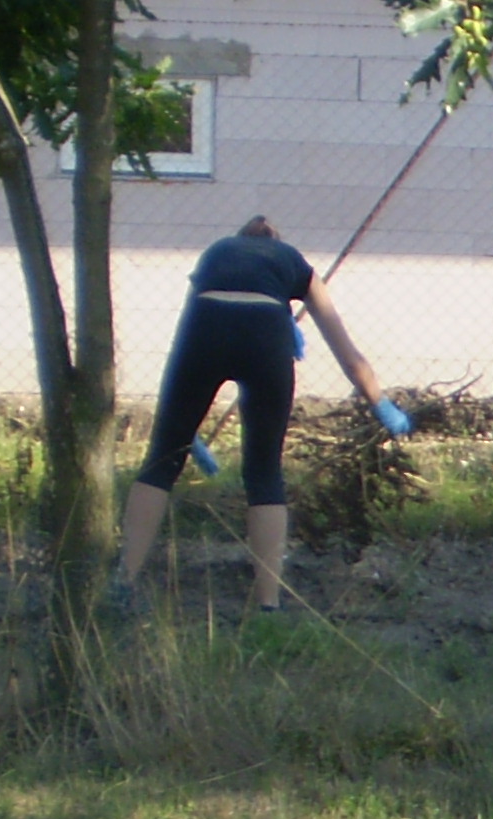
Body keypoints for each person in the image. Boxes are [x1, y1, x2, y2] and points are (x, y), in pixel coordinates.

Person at [114, 215, 411, 615]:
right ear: (276, 241)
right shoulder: (294, 263)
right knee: (264, 471)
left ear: (241, 239)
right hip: (266, 337)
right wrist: (381, 404)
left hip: (207, 329)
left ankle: (124, 582)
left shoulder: (216, 253)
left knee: (162, 463)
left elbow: (185, 335)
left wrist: (181, 424)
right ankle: (268, 602)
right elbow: (347, 351)